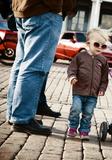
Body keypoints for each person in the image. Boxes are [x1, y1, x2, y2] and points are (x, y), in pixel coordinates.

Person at [6, 0, 77, 135]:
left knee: (20, 64)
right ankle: (22, 118)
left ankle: (14, 114)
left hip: (23, 8)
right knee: (35, 67)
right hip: (44, 10)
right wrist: (61, 7)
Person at [67, 28, 109, 140]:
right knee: (76, 109)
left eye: (103, 46)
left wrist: (102, 88)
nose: (100, 48)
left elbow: (105, 78)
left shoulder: (103, 60)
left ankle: (84, 131)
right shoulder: (80, 57)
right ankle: (72, 127)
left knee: (88, 113)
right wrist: (72, 77)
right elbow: (72, 69)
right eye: (97, 44)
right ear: (88, 43)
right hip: (79, 91)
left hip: (93, 94)